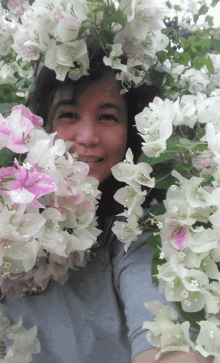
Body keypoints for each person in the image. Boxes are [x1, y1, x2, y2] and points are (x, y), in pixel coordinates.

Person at [1, 44, 213, 363]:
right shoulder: (11, 205)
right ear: (43, 127)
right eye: (69, 115)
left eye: (108, 116)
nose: (87, 136)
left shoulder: (136, 231)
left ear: (131, 132)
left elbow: (162, 343)